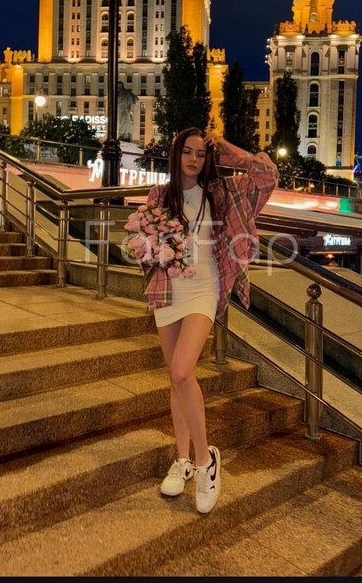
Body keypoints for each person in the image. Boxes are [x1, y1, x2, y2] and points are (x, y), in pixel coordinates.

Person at [136, 126, 278, 514]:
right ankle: (182, 460)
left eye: (201, 153)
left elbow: (267, 175)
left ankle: (204, 462)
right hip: (168, 290)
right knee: (175, 378)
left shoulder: (223, 192)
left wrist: (228, 149)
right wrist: (147, 249)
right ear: (176, 153)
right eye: (188, 151)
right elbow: (147, 245)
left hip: (204, 288)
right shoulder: (159, 196)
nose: (194, 159)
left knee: (183, 371)